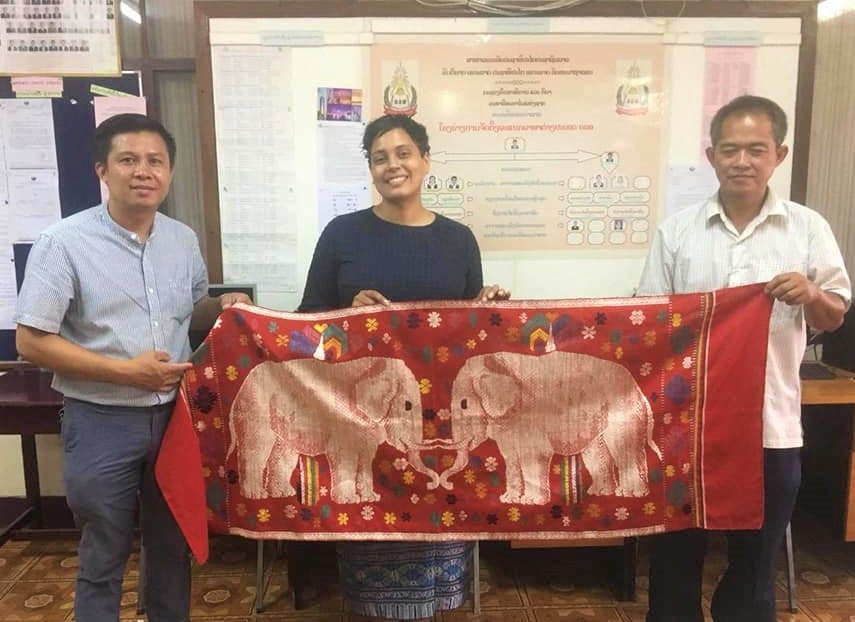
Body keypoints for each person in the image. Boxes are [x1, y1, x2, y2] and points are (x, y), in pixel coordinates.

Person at [13, 113, 252, 622]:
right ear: (103, 170)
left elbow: (190, 313)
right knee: (104, 553)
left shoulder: (182, 240)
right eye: (128, 160)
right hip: (100, 420)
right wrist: (124, 372)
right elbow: (31, 340)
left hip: (174, 420)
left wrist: (222, 305)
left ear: (169, 172)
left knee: (172, 546)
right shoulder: (63, 243)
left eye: (155, 161)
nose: (143, 171)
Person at [637, 95, 851, 622]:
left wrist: (811, 293)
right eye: (730, 150)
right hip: (685, 428)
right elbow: (651, 321)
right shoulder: (677, 232)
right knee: (675, 553)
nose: (742, 161)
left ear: (779, 154)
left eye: (756, 150)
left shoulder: (808, 228)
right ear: (711, 156)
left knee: (755, 561)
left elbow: (834, 315)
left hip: (770, 427)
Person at [298, 113, 509, 621]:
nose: (392, 165)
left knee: (441, 528)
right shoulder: (342, 234)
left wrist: (489, 309)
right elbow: (307, 320)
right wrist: (347, 313)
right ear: (370, 169)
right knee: (372, 527)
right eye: (379, 158)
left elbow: (467, 332)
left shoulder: (459, 239)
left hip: (442, 418)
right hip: (366, 417)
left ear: (425, 160)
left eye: (403, 153)